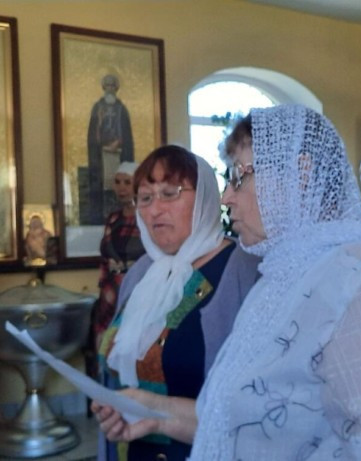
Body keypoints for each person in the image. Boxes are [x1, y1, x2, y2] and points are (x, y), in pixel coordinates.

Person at [96, 105, 361, 460]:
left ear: (300, 174)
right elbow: (244, 422)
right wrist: (154, 411)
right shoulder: (286, 273)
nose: (226, 197)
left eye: (239, 177)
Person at [92, 145, 259, 460]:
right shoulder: (141, 274)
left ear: (206, 198)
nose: (155, 209)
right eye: (145, 198)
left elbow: (261, 404)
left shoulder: (244, 270)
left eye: (170, 194)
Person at [87, 161, 144, 378]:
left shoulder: (146, 217)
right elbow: (104, 258)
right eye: (118, 182)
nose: (122, 188)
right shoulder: (114, 218)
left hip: (136, 291)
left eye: (127, 182)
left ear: (137, 184)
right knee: (106, 344)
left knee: (131, 345)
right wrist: (102, 285)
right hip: (111, 291)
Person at [85, 74, 135, 224]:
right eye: (107, 85)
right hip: (102, 154)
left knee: (118, 183)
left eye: (113, 86)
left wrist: (119, 142)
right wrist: (101, 143)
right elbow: (93, 131)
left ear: (116, 88)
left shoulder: (121, 109)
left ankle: (119, 212)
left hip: (118, 153)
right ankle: (103, 214)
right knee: (104, 183)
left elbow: (126, 132)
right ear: (103, 87)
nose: (110, 89)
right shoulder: (97, 108)